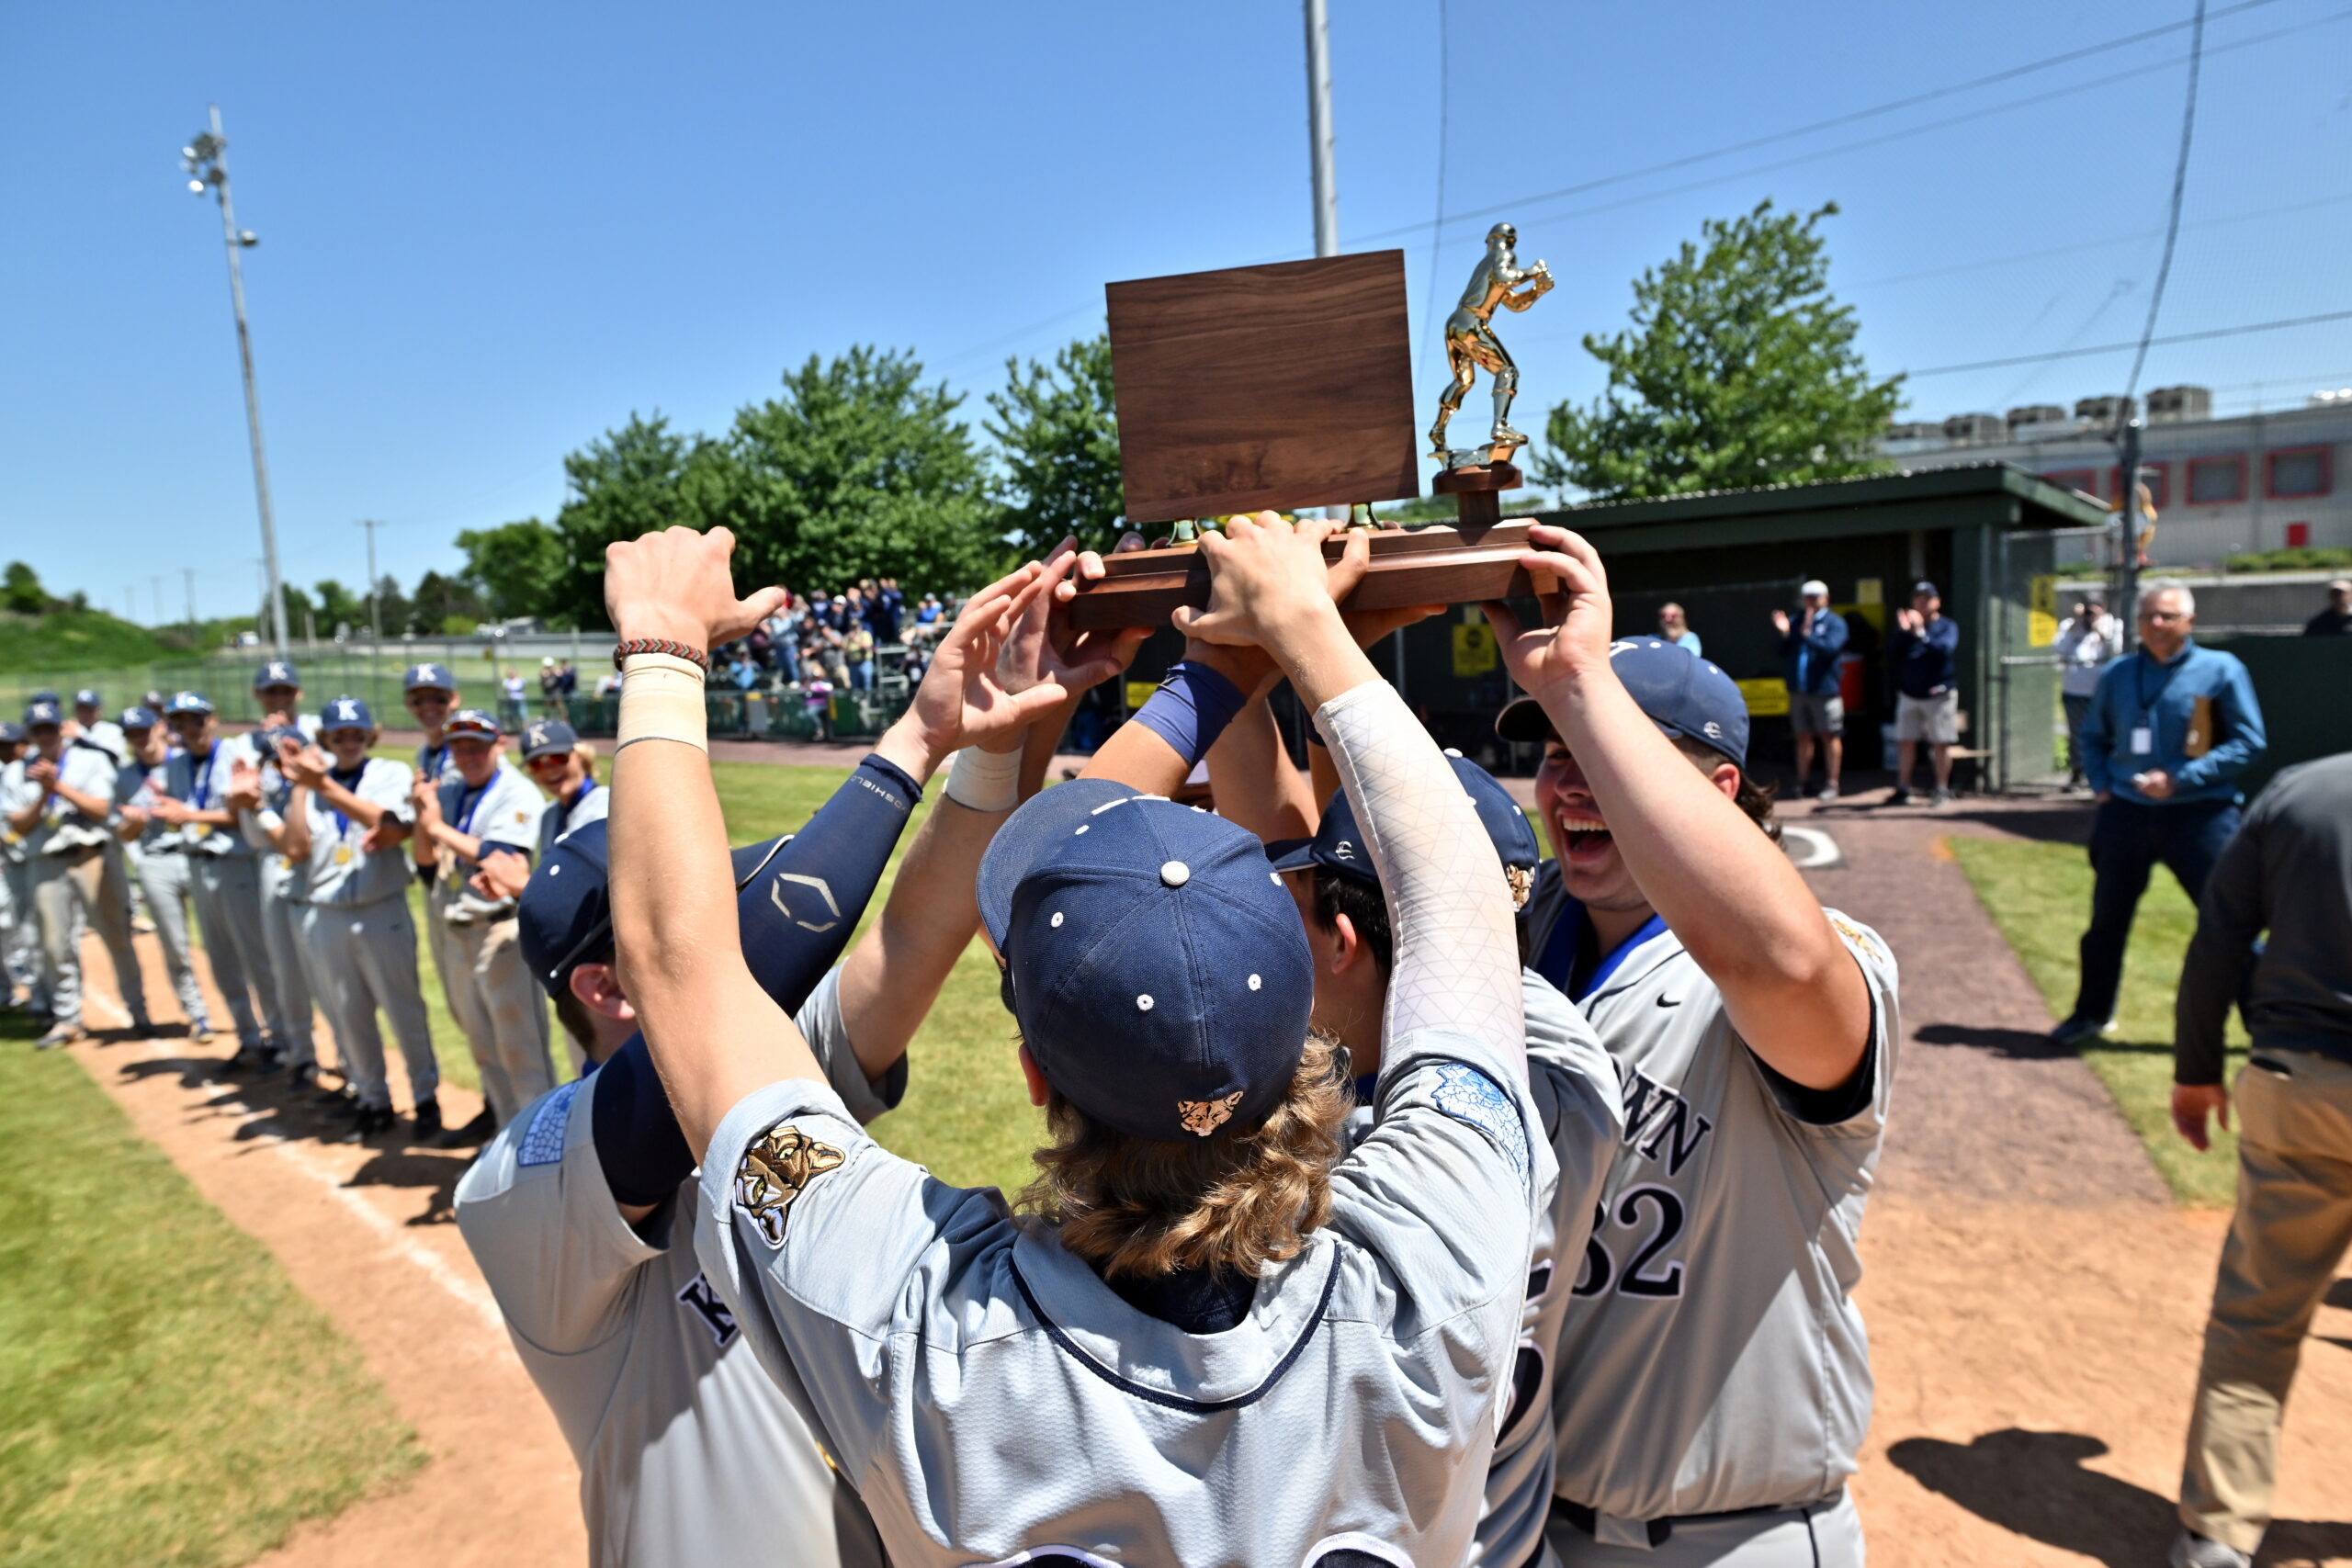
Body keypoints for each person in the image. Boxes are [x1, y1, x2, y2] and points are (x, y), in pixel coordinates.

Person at [605, 522, 1545, 1562]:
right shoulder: (1437, 1264)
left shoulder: (918, 1327)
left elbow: (677, 966)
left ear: (1032, 1072)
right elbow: (1458, 901)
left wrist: (660, 648)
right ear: (1305, 1043)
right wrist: (1312, 640)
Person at [458, 680, 995, 1568]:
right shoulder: (520, 1188)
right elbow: (788, 930)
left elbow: (915, 934)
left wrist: (997, 736)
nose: (713, 937)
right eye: (691, 921)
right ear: (607, 984)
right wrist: (911, 739)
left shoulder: (761, 1073)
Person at [1492, 557, 1901, 1564]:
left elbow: (1785, 966)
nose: (1567, 776)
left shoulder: (1822, 959)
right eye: (1552, 747)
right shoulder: (1517, 924)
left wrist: (1580, 683)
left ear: (1719, 789)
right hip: (1523, 1522)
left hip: (1729, 1540)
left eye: (1605, 747)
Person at [1241, 747, 1620, 1566]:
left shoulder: (1348, 1156)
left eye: (1301, 911)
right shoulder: (1578, 1074)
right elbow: (1469, 959)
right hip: (1509, 1537)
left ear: (1345, 942)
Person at [2163, 752, 2352, 1568]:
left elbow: (2219, 937)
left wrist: (2197, 1068)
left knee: (2257, 1317)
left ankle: (2218, 1536)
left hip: (2297, 1081)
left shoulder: (2298, 791)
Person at [2052, 581, 2268, 1047]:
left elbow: (2249, 742)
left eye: (2167, 616)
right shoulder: (2119, 673)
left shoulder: (2221, 670)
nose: (2155, 624)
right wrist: (2104, 786)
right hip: (2126, 815)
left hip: (2201, 815)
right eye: (2148, 615)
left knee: (2230, 921)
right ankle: (2091, 1015)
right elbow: (2092, 737)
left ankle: (2267, 1027)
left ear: (2189, 622)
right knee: (2106, 921)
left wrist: (2183, 778)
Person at [277, 697, 440, 1139]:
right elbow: (294, 849)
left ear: (370, 735)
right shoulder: (309, 784)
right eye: (338, 735)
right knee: (349, 1014)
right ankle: (373, 1100)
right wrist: (299, 785)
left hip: (380, 906)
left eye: (356, 733)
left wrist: (324, 786)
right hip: (327, 910)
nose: (348, 741)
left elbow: (392, 825)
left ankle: (426, 1099)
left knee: (403, 1009)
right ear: (325, 739)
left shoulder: (387, 772)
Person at [412, 708, 549, 1141]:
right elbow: (425, 865)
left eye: (476, 744)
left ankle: (540, 1150)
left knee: (521, 1052)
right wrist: (423, 817)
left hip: (501, 931)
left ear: (498, 745)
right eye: (458, 745)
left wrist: (435, 825)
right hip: (457, 933)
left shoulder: (516, 791)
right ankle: (506, 1143)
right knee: (484, 1050)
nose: (467, 754)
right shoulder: (450, 791)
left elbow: (499, 858)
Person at [5, 699, 153, 1045]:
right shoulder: (16, 771)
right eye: (37, 730)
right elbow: (19, 825)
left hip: (93, 856)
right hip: (47, 860)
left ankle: (139, 1012)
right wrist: (43, 796)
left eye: (50, 729)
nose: (45, 736)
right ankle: (68, 1018)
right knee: (55, 945)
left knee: (116, 935)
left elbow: (103, 809)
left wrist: (57, 787)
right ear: (30, 735)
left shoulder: (90, 759)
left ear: (62, 729)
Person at [152, 693, 277, 1063]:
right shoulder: (176, 766)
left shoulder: (235, 755)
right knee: (221, 958)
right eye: (180, 723)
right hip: (196, 861)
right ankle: (248, 1036)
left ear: (213, 719)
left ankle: (279, 1036)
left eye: (197, 720)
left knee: (256, 955)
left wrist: (190, 816)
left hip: (236, 862)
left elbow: (244, 817)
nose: (190, 729)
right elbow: (182, 812)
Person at [238, 662, 325, 1085]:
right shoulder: (244, 742)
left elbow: (326, 772)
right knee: (285, 967)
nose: (278, 699)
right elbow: (241, 794)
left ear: (298, 693)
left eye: (285, 691)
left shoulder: (318, 730)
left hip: (322, 854)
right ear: (258, 696)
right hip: (275, 858)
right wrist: (264, 746)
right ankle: (301, 1052)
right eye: (270, 692)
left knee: (329, 968)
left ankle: (349, 1061)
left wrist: (292, 743)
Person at [112, 706, 216, 1041]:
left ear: (159, 728)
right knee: (175, 944)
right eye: (131, 735)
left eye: (143, 730)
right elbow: (123, 834)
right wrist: (133, 823)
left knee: (223, 942)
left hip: (197, 855)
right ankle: (198, 1014)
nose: (139, 739)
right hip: (155, 860)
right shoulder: (125, 777)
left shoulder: (185, 761)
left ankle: (253, 1020)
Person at [1772, 579, 1849, 802]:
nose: (1811, 601)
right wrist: (1785, 633)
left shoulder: (1835, 622)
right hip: (1799, 690)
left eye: (1816, 596)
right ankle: (1802, 783)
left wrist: (1808, 635)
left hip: (1825, 690)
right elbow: (1780, 651)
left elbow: (1832, 648)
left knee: (1829, 735)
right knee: (1802, 736)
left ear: (1826, 598)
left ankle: (1832, 783)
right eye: (1808, 597)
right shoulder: (1794, 621)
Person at [1888, 580, 1962, 807]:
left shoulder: (1947, 626)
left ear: (1937, 602)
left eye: (1927, 598)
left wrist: (1920, 632)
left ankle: (1941, 789)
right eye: (1918, 598)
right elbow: (1892, 655)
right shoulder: (1905, 629)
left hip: (1938, 695)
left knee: (1940, 743)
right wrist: (1903, 633)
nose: (1922, 602)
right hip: (1910, 694)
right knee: (1905, 741)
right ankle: (1903, 788)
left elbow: (1944, 651)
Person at [2054, 597, 2122, 790]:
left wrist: (2098, 627)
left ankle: (2104, 774)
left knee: (2105, 732)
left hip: (2102, 692)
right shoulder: (2070, 625)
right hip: (2074, 690)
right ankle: (2078, 773)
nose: (2090, 614)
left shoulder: (2112, 624)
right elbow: (2059, 648)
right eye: (2088, 610)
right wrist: (2076, 624)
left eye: (2095, 609)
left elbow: (2115, 650)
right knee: (2076, 734)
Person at [0, 721, 38, 1011]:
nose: (5, 751)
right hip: (11, 861)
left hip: (37, 859)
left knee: (32, 930)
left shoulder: (34, 770)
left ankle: (37, 989)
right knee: (15, 927)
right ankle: (17, 988)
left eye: (10, 745)